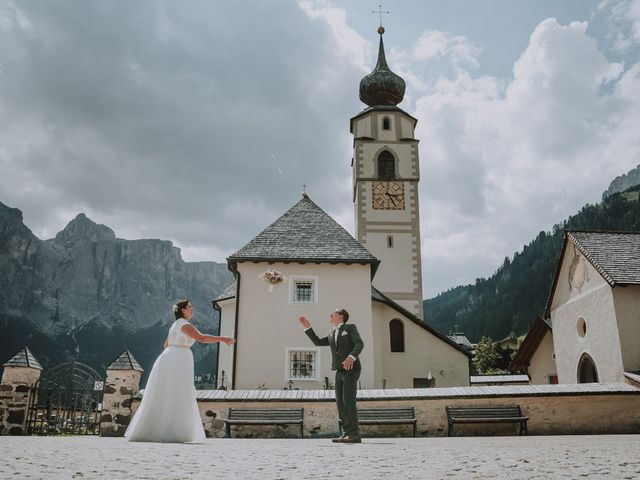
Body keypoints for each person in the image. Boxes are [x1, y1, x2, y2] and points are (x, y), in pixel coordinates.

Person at [125, 299, 236, 443]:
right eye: (190, 307)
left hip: (171, 358)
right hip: (179, 359)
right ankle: (173, 431)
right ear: (183, 310)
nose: (192, 309)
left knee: (167, 392)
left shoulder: (175, 325)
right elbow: (201, 338)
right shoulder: (184, 324)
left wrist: (172, 355)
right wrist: (223, 338)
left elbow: (165, 344)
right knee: (179, 392)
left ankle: (156, 429)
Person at [298, 309, 364, 443]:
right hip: (339, 370)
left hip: (352, 369)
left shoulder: (350, 328)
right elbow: (317, 342)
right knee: (340, 402)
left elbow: (359, 344)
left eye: (333, 313)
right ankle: (346, 433)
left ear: (341, 316)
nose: (330, 315)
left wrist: (351, 357)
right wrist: (307, 328)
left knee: (348, 400)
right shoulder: (332, 333)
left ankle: (354, 434)